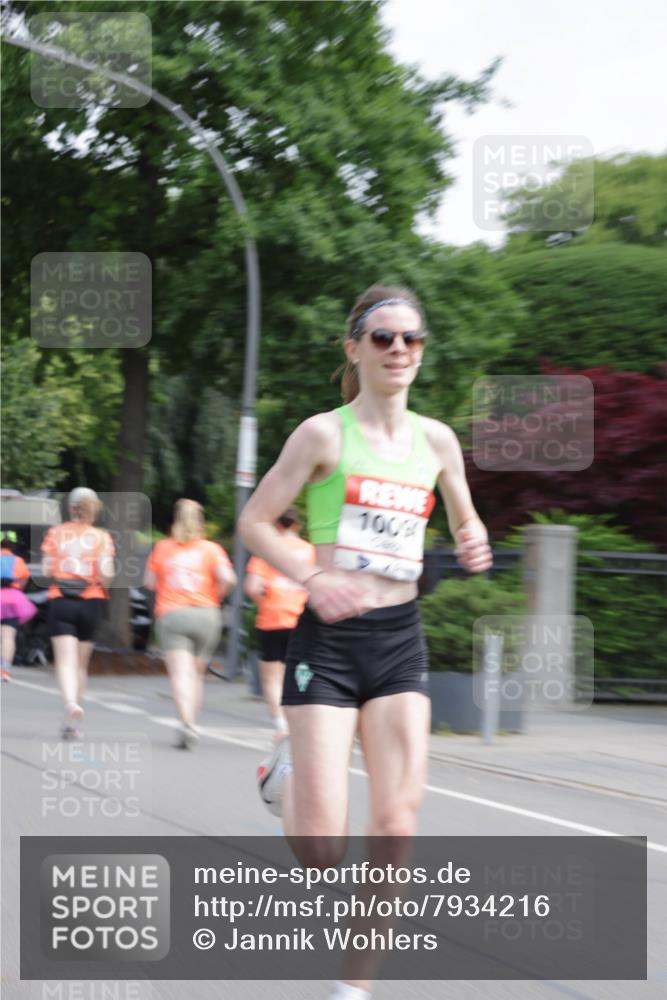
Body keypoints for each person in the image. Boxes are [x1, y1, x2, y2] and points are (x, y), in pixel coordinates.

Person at [239, 284, 492, 1000]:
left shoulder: (437, 440)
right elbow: (256, 521)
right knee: (322, 851)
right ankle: (280, 774)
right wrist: (310, 577)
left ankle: (351, 990)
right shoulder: (322, 434)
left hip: (399, 641)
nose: (399, 350)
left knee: (395, 823)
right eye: (383, 338)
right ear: (355, 348)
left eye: (411, 338)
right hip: (330, 642)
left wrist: (471, 538)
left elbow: (464, 519)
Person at [143, 499, 237, 749]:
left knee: (180, 674)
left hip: (173, 614)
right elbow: (228, 578)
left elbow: (149, 583)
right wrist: (216, 595)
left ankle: (187, 723)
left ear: (175, 519)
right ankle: (192, 721)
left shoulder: (163, 548)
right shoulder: (211, 549)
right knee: (197, 675)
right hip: (207, 615)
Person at [41, 488, 115, 739]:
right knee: (81, 665)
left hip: (61, 601)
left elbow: (46, 568)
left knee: (65, 662)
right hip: (91, 602)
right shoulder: (102, 538)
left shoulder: (55, 533)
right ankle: (72, 724)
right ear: (94, 509)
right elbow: (107, 575)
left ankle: (70, 703)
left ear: (71, 508)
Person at [244, 507, 315, 741]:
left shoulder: (266, 551)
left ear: (276, 524)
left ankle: (281, 724)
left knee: (272, 678)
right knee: (302, 674)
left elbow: (252, 588)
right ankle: (303, 724)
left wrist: (265, 600)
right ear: (297, 525)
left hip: (273, 618)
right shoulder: (311, 551)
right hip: (304, 619)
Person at [0, 529, 33, 681]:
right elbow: (23, 581)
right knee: (8, 636)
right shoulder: (18, 561)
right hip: (13, 599)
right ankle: (5, 671)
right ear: (13, 544)